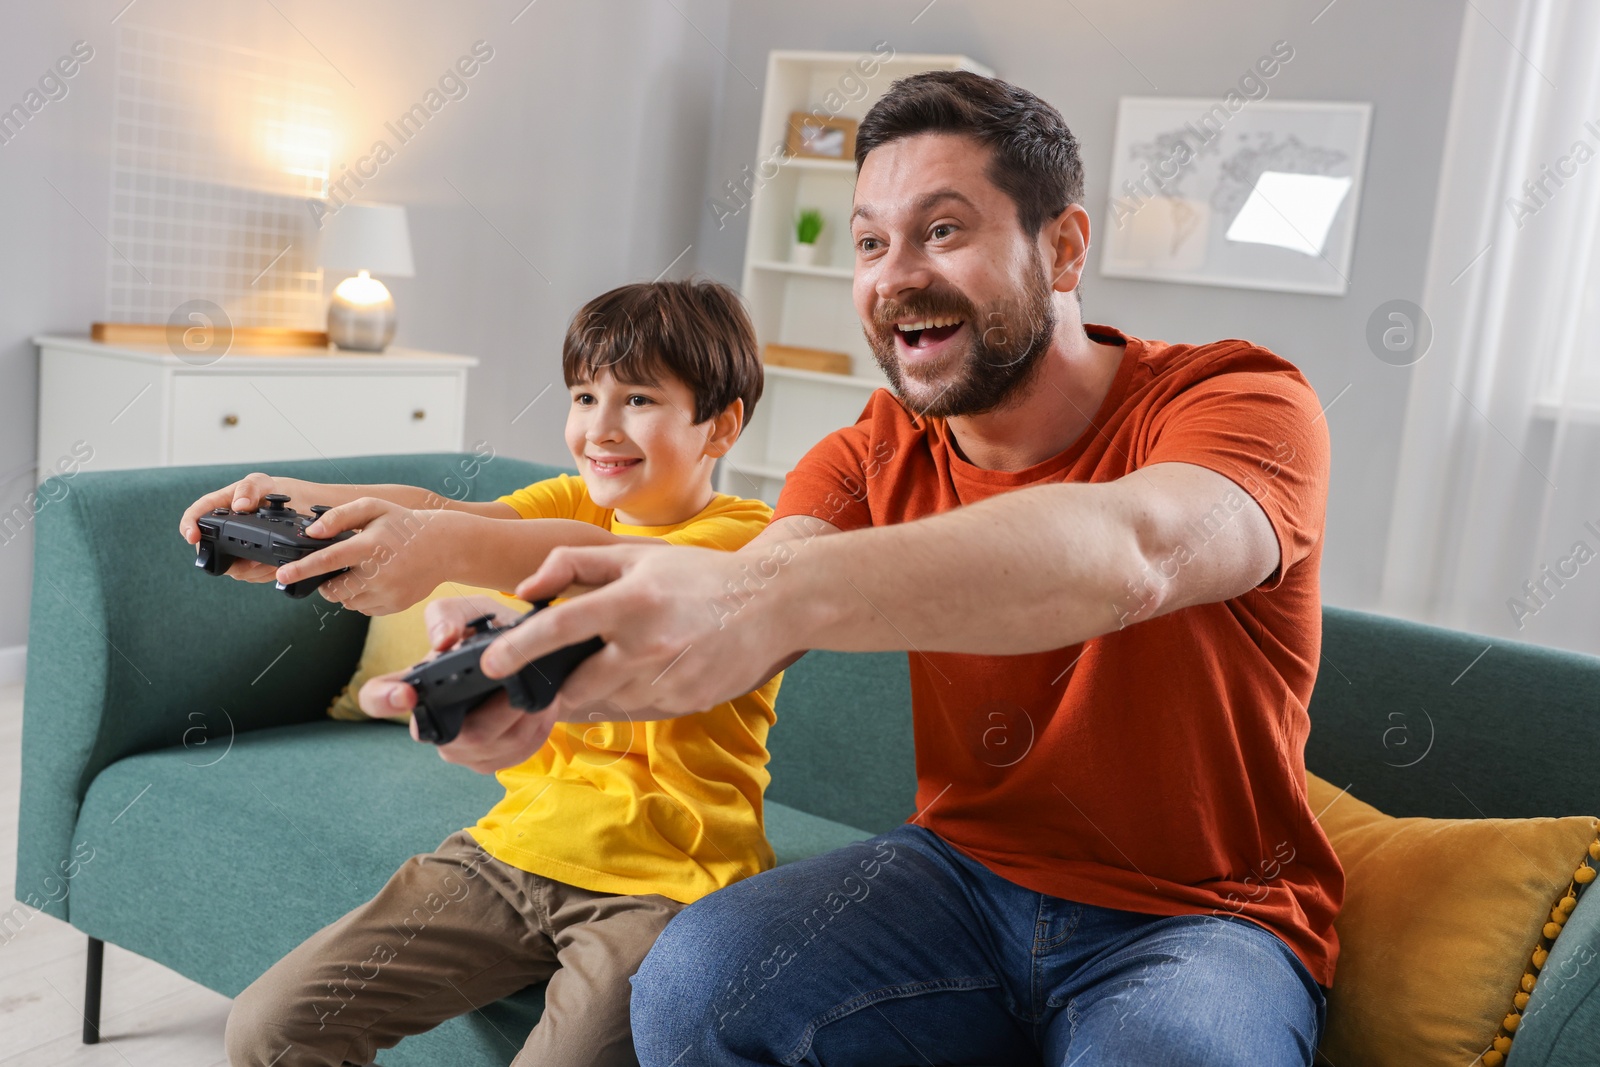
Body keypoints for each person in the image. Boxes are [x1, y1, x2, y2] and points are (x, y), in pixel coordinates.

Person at [440, 71, 1343, 1064]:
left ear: (1064, 246)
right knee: (699, 982)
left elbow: (1133, 549)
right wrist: (547, 671)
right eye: (870, 241)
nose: (892, 275)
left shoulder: (1239, 401)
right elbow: (750, 606)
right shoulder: (870, 449)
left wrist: (759, 592)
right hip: (955, 877)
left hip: (1201, 913)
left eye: (942, 230)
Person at [182, 280, 784, 1067]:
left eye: (637, 399)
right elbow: (443, 509)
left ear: (721, 424)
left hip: (662, 884)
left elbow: (610, 567)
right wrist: (299, 504)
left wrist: (451, 545)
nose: (599, 426)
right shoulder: (577, 498)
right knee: (270, 1028)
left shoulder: (749, 538)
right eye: (583, 395)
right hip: (510, 852)